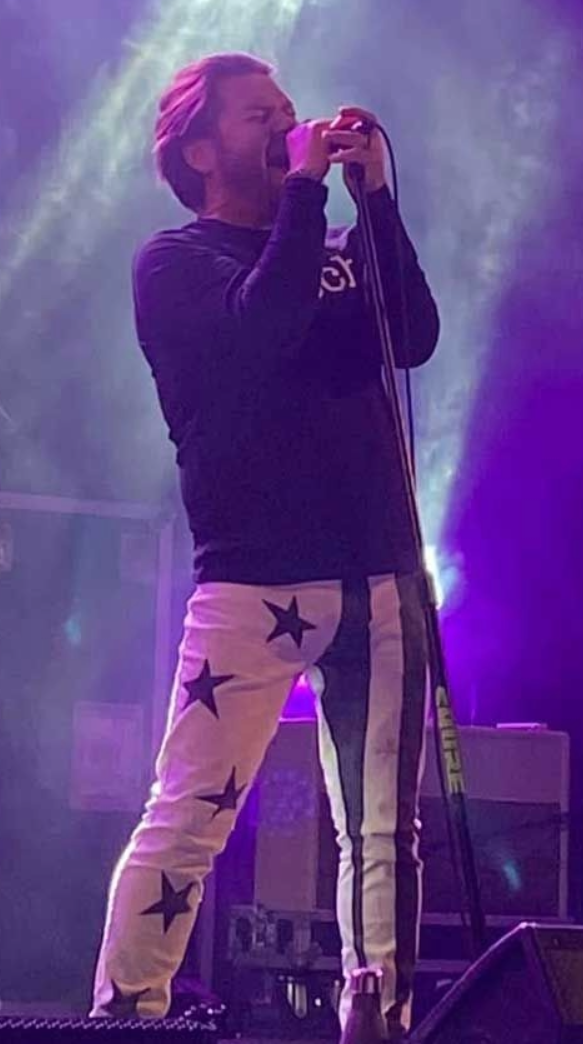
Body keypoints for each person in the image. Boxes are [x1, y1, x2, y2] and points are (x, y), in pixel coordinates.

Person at [92, 52, 439, 1038]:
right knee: (190, 816)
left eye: (288, 112)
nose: (289, 125)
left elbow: (410, 334)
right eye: (260, 117)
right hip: (253, 582)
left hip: (375, 571)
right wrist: (302, 196)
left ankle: (381, 1020)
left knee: (382, 834)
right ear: (199, 151)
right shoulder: (174, 263)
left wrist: (372, 207)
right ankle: (126, 1017)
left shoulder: (325, 243)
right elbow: (259, 339)